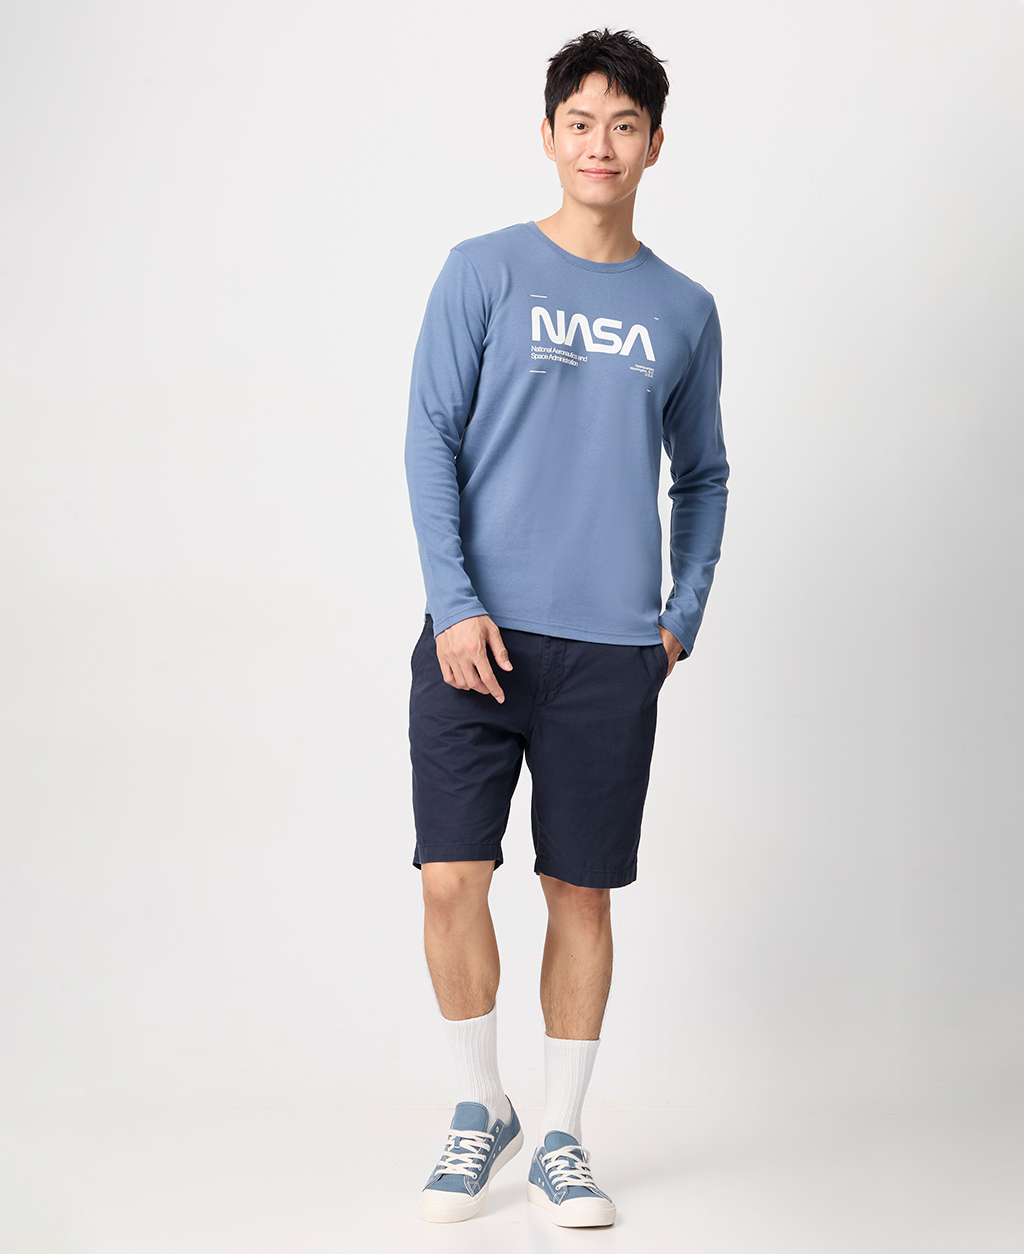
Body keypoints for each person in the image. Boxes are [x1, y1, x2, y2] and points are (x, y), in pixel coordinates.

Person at [404, 27, 729, 1227]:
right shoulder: (481, 271)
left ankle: (560, 1136)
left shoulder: (682, 309)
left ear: (654, 145)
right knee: (451, 879)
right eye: (580, 122)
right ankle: (477, 1104)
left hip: (609, 653)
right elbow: (429, 440)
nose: (601, 145)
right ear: (548, 137)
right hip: (474, 639)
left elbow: (704, 474)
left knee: (579, 894)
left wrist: (677, 622)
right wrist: (454, 603)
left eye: (623, 125)